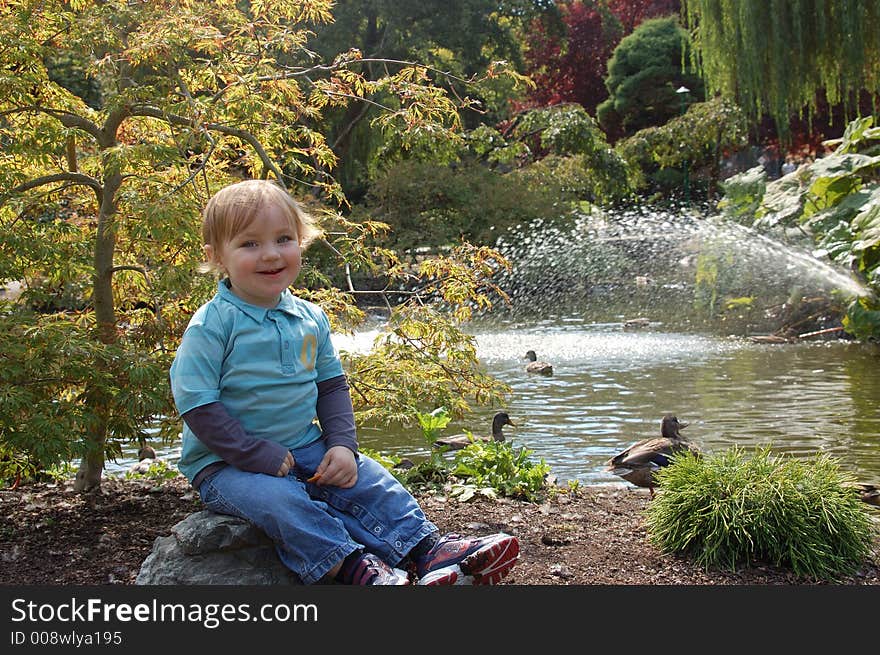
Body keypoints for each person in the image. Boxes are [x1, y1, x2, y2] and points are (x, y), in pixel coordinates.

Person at [169, 179, 519, 585]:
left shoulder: (310, 317)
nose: (270, 254)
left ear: (301, 241)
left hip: (306, 444)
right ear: (217, 257)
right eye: (249, 244)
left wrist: (341, 445)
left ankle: (425, 552)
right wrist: (251, 453)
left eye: (283, 239)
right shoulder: (212, 325)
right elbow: (199, 406)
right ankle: (356, 569)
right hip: (226, 465)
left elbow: (331, 387)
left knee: (369, 479)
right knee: (281, 502)